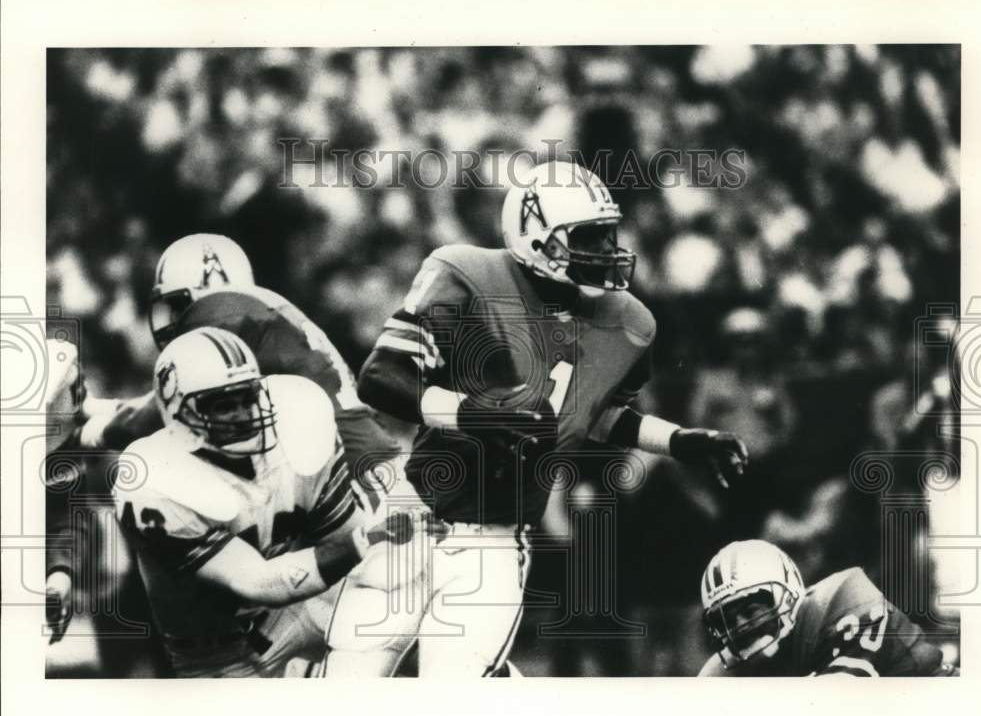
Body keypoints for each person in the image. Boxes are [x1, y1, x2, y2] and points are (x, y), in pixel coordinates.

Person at [330, 160, 749, 677]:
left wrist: (679, 441)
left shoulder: (630, 323)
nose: (605, 251)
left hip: (494, 537)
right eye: (588, 239)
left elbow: (599, 416)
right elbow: (381, 376)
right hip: (411, 512)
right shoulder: (467, 274)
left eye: (607, 236)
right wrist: (477, 418)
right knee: (347, 682)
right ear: (536, 238)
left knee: (449, 696)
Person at [113, 326, 435, 677]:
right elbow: (261, 582)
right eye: (223, 405)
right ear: (178, 412)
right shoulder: (156, 480)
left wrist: (402, 536)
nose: (243, 413)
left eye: (247, 397)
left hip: (299, 608)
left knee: (394, 600)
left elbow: (347, 540)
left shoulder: (292, 432)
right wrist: (367, 539)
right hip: (215, 654)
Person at [82, 233, 400, 478]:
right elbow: (160, 402)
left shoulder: (220, 315)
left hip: (349, 475)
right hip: (367, 461)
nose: (176, 318)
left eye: (178, 306)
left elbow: (167, 413)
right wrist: (95, 407)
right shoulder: (254, 310)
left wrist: (88, 433)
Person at [697, 539, 956, 677]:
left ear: (790, 592)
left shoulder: (847, 601)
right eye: (727, 621)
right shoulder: (723, 670)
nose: (741, 625)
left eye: (752, 609)